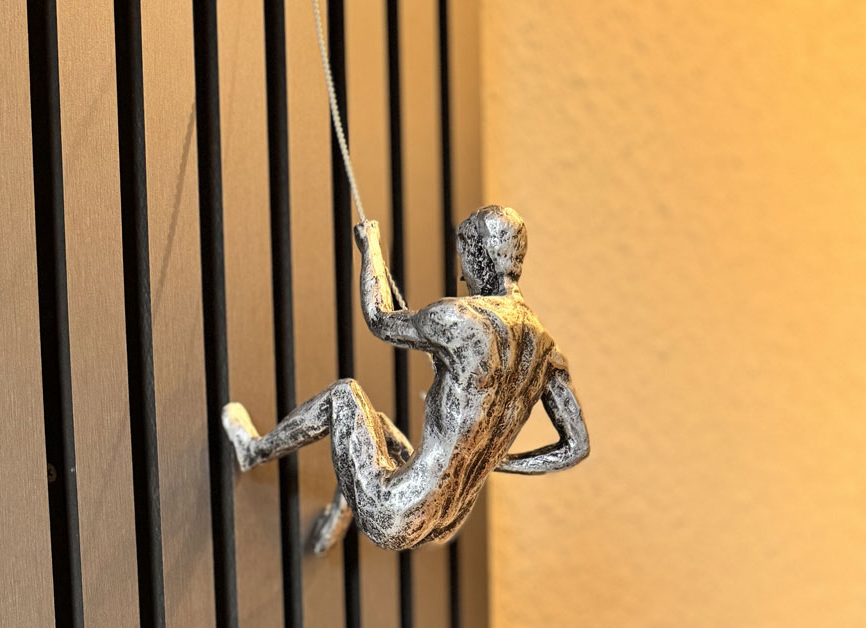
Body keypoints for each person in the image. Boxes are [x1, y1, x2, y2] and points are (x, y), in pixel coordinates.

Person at [221, 205, 590, 554]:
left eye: (463, 256)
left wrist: (370, 247)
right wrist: (494, 460)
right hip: (447, 523)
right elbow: (575, 448)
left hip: (396, 513)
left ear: (480, 255)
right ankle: (339, 514)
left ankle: (253, 451)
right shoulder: (547, 351)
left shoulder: (460, 318)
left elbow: (380, 319)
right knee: (376, 427)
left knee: (344, 396)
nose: (461, 274)